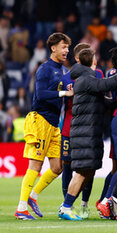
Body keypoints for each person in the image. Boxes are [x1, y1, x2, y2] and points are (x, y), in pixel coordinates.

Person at [58, 48, 117, 220]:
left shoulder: (84, 79)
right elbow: (107, 84)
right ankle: (66, 207)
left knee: (88, 171)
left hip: (89, 131)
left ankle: (68, 204)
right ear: (92, 62)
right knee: (82, 171)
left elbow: (102, 97)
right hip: (85, 132)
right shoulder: (86, 79)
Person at [15, 32, 73, 220]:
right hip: (40, 120)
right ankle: (21, 208)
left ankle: (33, 195)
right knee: (35, 165)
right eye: (63, 47)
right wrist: (64, 93)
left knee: (57, 167)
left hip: (54, 124)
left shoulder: (62, 70)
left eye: (67, 47)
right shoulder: (45, 69)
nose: (66, 50)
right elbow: (40, 94)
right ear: (53, 48)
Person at [60, 43, 104, 219]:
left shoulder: (97, 74)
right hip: (70, 126)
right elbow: (63, 103)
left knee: (88, 167)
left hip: (88, 125)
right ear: (77, 59)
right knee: (68, 165)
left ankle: (83, 203)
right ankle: (66, 203)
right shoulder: (66, 77)